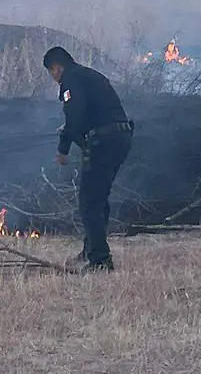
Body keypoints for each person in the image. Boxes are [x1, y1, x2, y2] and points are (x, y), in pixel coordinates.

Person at [43, 46, 133, 272]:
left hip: (103, 142)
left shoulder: (71, 80)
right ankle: (91, 249)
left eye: (51, 73)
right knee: (99, 197)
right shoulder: (90, 75)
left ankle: (101, 260)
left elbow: (75, 115)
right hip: (120, 138)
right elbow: (92, 113)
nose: (53, 78)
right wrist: (72, 129)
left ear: (56, 67)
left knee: (89, 201)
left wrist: (63, 148)